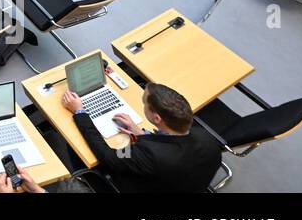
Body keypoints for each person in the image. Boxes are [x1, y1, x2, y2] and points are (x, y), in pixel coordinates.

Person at [59, 82, 221, 193]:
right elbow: (172, 145)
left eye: (144, 103)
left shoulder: (150, 154)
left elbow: (107, 157)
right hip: (177, 183)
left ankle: (85, 180)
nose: (143, 105)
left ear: (157, 118)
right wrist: (141, 133)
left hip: (130, 186)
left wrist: (79, 111)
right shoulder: (207, 138)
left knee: (76, 145)